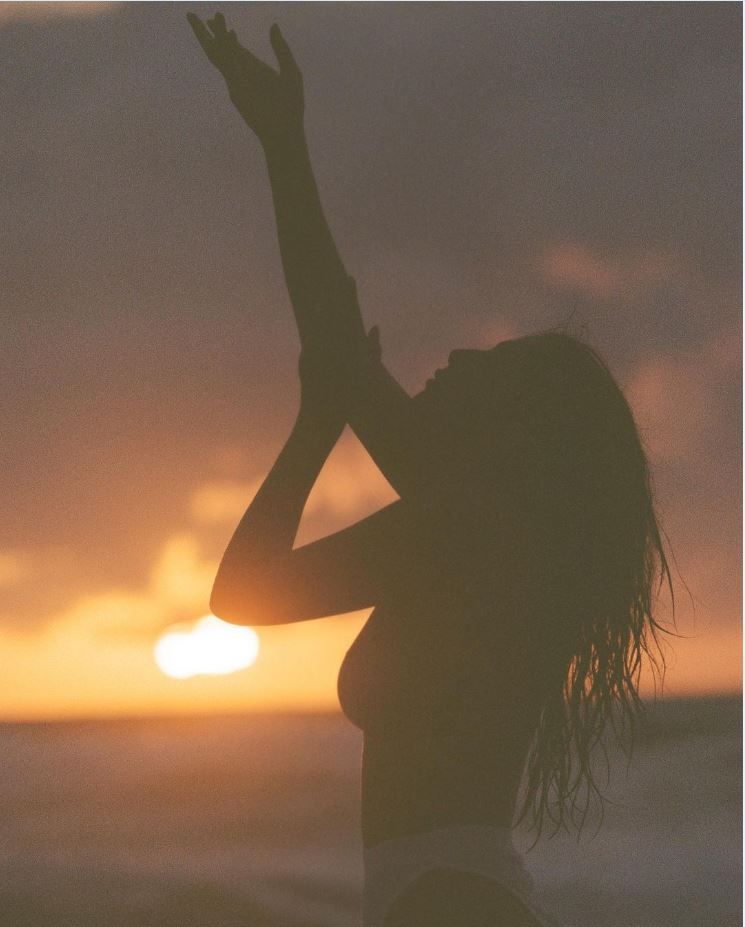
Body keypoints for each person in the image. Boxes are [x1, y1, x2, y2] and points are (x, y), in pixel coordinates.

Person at [187, 14, 672, 927]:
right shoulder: (483, 527)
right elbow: (339, 342)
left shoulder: (460, 530)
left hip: (448, 900)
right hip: (450, 893)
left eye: (488, 366)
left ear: (510, 428)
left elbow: (243, 593)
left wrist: (312, 428)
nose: (454, 356)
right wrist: (282, 145)